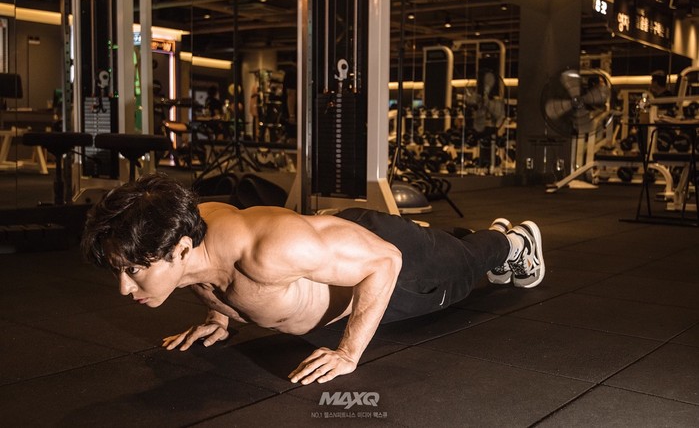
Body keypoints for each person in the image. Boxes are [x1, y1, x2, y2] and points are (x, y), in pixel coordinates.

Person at [81, 173, 544, 385]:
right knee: (450, 249)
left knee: (460, 273)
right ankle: (464, 240)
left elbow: (385, 262)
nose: (124, 288)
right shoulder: (187, 234)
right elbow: (213, 275)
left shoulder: (268, 249)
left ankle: (512, 241)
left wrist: (348, 353)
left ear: (181, 250)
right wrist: (218, 317)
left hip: (385, 259)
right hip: (328, 251)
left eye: (134, 271)